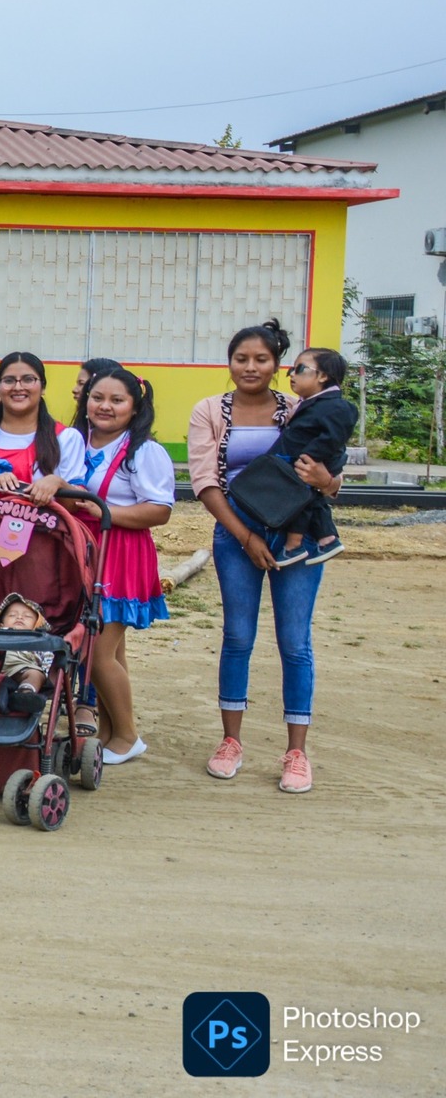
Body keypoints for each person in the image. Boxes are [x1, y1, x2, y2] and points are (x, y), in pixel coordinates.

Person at [189, 319, 342, 794]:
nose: (250, 367)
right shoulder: (209, 410)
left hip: (295, 533)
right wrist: (245, 537)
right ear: (229, 362)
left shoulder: (300, 406)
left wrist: (328, 482)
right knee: (238, 636)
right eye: (241, 358)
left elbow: (330, 471)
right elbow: (205, 483)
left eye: (261, 359)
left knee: (295, 642)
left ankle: (297, 752)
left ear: (278, 365)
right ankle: (230, 742)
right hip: (236, 533)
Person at [67, 364, 174, 763]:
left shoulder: (143, 451)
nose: (105, 406)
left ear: (135, 407)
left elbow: (160, 510)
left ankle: (128, 736)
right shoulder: (75, 442)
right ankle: (110, 733)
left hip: (120, 555)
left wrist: (102, 511)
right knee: (111, 651)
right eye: (97, 397)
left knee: (94, 652)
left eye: (117, 400)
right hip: (85, 552)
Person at [272, 348, 358, 567]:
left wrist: (310, 457)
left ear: (323, 376)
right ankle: (327, 539)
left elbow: (334, 437)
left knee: (302, 499)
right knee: (312, 499)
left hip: (310, 463)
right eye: (291, 370)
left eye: (300, 369)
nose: (292, 374)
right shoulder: (309, 403)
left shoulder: (336, 406)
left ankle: (294, 545)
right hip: (305, 462)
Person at [0, 352, 83, 505]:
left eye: (28, 380)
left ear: (43, 387)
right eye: (9, 380)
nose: (18, 387)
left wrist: (58, 484)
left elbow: (76, 505)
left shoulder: (66, 437)